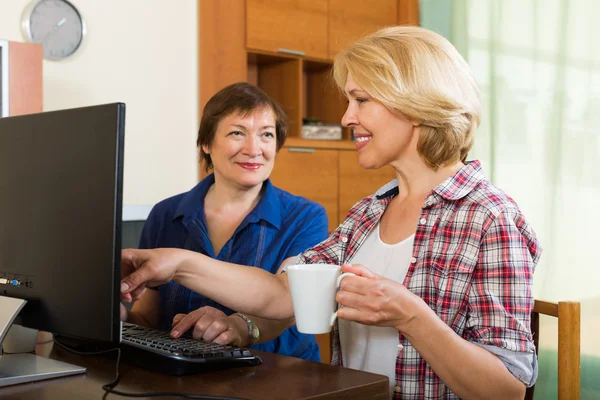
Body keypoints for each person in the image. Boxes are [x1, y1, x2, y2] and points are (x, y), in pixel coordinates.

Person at [120, 26, 540, 399]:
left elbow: (506, 390)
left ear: (414, 103)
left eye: (360, 99)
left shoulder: (490, 218)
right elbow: (283, 294)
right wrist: (177, 262)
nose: (346, 117)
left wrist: (411, 316)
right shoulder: (370, 213)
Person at [121, 82, 328, 362]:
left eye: (266, 135)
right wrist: (121, 314)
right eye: (237, 133)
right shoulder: (165, 214)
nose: (254, 149)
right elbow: (148, 316)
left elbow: (290, 305)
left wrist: (239, 327)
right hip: (181, 377)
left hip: (279, 376)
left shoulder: (306, 217)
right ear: (206, 143)